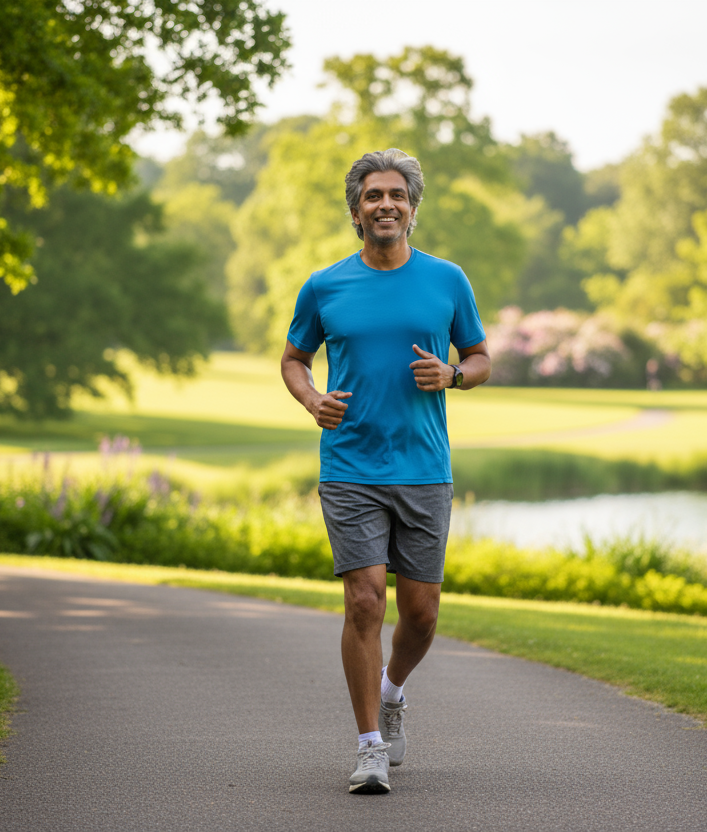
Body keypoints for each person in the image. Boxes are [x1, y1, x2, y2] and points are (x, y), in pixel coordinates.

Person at [280, 148, 491, 794]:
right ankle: (370, 745)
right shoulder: (324, 286)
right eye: (373, 196)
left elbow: (481, 357)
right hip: (350, 466)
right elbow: (294, 358)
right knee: (364, 599)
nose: (385, 205)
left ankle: (393, 691)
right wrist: (313, 398)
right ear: (355, 211)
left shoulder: (447, 280)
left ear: (413, 208)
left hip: (425, 467)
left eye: (397, 194)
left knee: (421, 614)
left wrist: (453, 375)